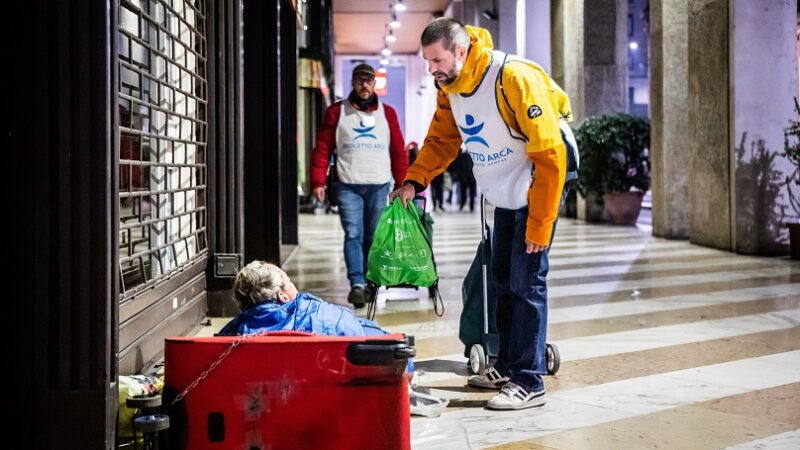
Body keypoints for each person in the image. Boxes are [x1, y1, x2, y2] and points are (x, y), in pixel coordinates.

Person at [390, 18, 577, 410]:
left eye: (437, 60)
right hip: (506, 193)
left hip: (537, 187)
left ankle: (529, 381)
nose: (432, 69)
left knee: (527, 282)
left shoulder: (512, 76)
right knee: (503, 281)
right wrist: (415, 181)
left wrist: (541, 224)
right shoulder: (450, 88)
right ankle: (507, 364)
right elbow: (441, 141)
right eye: (427, 61)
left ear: (460, 50)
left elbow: (550, 155)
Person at [311, 63, 408, 309]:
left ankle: (368, 280)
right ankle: (356, 284)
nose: (364, 85)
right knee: (353, 233)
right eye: (359, 81)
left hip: (378, 184)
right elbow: (322, 148)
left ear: (374, 84)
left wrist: (402, 183)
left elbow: (398, 151)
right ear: (353, 83)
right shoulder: (336, 112)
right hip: (347, 185)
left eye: (368, 81)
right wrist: (318, 180)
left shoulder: (388, 114)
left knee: (373, 236)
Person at [221, 260, 388, 337]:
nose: (293, 283)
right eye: (288, 280)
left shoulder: (231, 336)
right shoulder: (328, 318)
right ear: (283, 295)